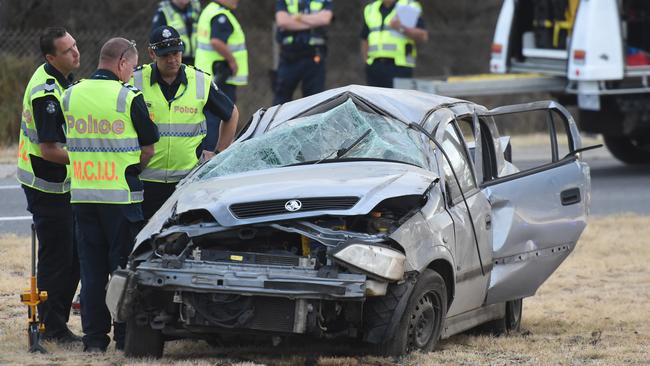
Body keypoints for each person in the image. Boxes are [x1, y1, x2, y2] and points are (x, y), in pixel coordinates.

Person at [62, 37, 159, 352]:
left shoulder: (70, 95)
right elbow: (148, 148)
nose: (132, 73)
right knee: (121, 271)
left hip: (83, 196)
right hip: (120, 199)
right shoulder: (127, 96)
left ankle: (93, 341)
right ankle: (122, 337)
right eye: (131, 67)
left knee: (91, 272)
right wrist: (132, 170)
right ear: (121, 63)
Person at [133, 25, 239, 219]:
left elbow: (231, 114)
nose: (172, 60)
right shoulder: (135, 80)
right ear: (151, 53)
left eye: (176, 53)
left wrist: (219, 154)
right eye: (165, 55)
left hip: (187, 182)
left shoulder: (199, 80)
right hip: (144, 181)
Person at [16, 27, 81, 344]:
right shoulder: (46, 93)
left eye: (75, 45)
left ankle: (55, 321)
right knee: (58, 259)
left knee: (73, 257)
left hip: (60, 184)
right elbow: (49, 149)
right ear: (50, 57)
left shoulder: (61, 81)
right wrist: (87, 160)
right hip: (46, 185)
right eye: (68, 50)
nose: (76, 52)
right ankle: (51, 328)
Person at [273, 0, 333, 105]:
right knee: (281, 100)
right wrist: (313, 21)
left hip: (314, 56)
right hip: (289, 56)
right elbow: (282, 21)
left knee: (315, 101)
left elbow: (325, 19)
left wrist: (298, 18)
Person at [361, 0, 428, 88]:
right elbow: (365, 38)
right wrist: (367, 62)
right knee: (373, 101)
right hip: (375, 67)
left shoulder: (408, 6)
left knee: (399, 100)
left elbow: (423, 36)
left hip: (400, 67)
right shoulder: (370, 9)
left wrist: (400, 28)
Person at [195, 0, 248, 103]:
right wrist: (232, 61)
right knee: (223, 114)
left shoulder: (210, 10)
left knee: (204, 112)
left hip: (203, 75)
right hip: (219, 78)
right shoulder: (220, 15)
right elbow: (216, 42)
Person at [151, 0, 202, 65]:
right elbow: (156, 40)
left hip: (198, 57)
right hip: (174, 60)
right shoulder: (163, 11)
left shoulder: (196, 7)